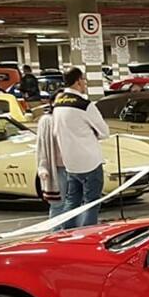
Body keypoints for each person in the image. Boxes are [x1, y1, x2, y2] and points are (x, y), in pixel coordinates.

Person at [51, 67, 109, 229]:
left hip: (70, 163)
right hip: (90, 161)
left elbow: (56, 132)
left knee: (72, 200)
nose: (84, 83)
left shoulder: (58, 104)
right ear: (78, 81)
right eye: (83, 80)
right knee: (92, 202)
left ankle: (68, 234)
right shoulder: (85, 105)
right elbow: (104, 132)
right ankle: (87, 234)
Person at [35, 91, 67, 229]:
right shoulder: (47, 121)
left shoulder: (71, 117)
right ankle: (56, 234)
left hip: (74, 167)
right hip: (58, 169)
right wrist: (43, 167)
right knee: (58, 204)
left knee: (75, 203)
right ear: (52, 102)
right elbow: (41, 145)